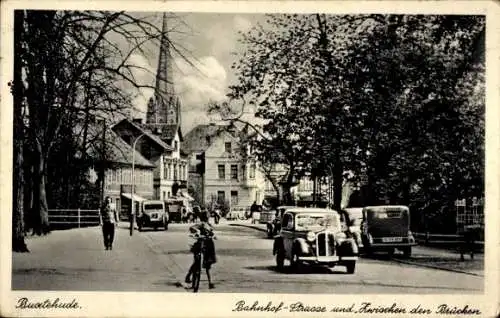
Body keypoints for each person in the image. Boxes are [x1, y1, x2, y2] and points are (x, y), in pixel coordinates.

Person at [184, 212, 216, 289]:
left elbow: (212, 233)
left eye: (207, 216)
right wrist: (197, 233)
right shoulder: (201, 224)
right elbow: (192, 228)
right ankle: (189, 276)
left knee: (208, 263)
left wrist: (213, 235)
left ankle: (210, 282)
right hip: (201, 244)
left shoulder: (209, 225)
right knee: (197, 261)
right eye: (206, 216)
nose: (207, 218)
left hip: (209, 245)